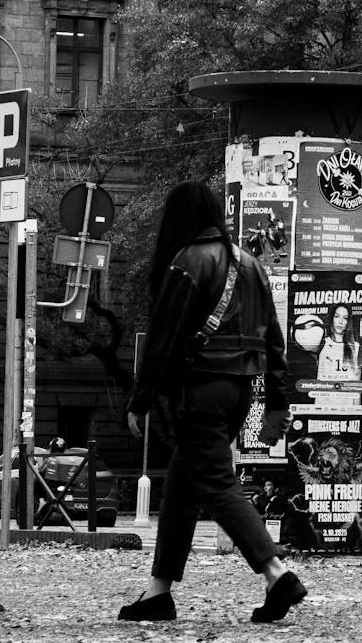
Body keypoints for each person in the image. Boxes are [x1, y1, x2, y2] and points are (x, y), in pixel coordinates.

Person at [120, 181, 306, 625]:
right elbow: (275, 342)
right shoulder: (251, 264)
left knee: (219, 486)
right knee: (183, 490)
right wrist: (278, 401)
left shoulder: (188, 261)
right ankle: (158, 592)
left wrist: (140, 399)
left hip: (200, 390)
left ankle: (276, 573)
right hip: (240, 390)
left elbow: (163, 339)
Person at [317, 303, 362, 382]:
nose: (340, 321)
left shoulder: (356, 347)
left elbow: (357, 382)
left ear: (348, 322)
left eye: (345, 318)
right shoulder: (322, 343)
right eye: (337, 316)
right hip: (325, 393)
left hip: (347, 393)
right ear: (332, 319)